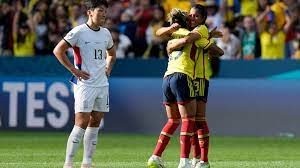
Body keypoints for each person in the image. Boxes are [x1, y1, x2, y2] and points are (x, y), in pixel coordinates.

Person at [52, 0, 116, 168]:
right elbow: (58, 50)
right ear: (90, 12)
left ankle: (87, 163)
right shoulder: (79, 32)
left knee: (95, 123)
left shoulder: (106, 33)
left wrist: (108, 69)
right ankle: (68, 163)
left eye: (105, 11)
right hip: (85, 85)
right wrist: (74, 70)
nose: (103, 14)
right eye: (100, 10)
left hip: (102, 85)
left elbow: (112, 54)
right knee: (81, 123)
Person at [163, 4, 224, 168]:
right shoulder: (190, 33)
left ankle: (203, 160)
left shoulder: (201, 29)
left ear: (203, 19)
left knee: (198, 120)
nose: (192, 18)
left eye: (196, 16)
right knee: (193, 121)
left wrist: (208, 40)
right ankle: (197, 159)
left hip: (201, 78)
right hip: (190, 77)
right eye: (190, 15)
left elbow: (219, 52)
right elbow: (161, 34)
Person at [147, 8, 198, 168]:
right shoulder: (191, 34)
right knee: (188, 119)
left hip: (167, 78)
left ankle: (155, 156)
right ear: (187, 21)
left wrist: (170, 29)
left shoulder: (171, 35)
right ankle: (184, 161)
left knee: (173, 120)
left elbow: (158, 32)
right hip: (182, 76)